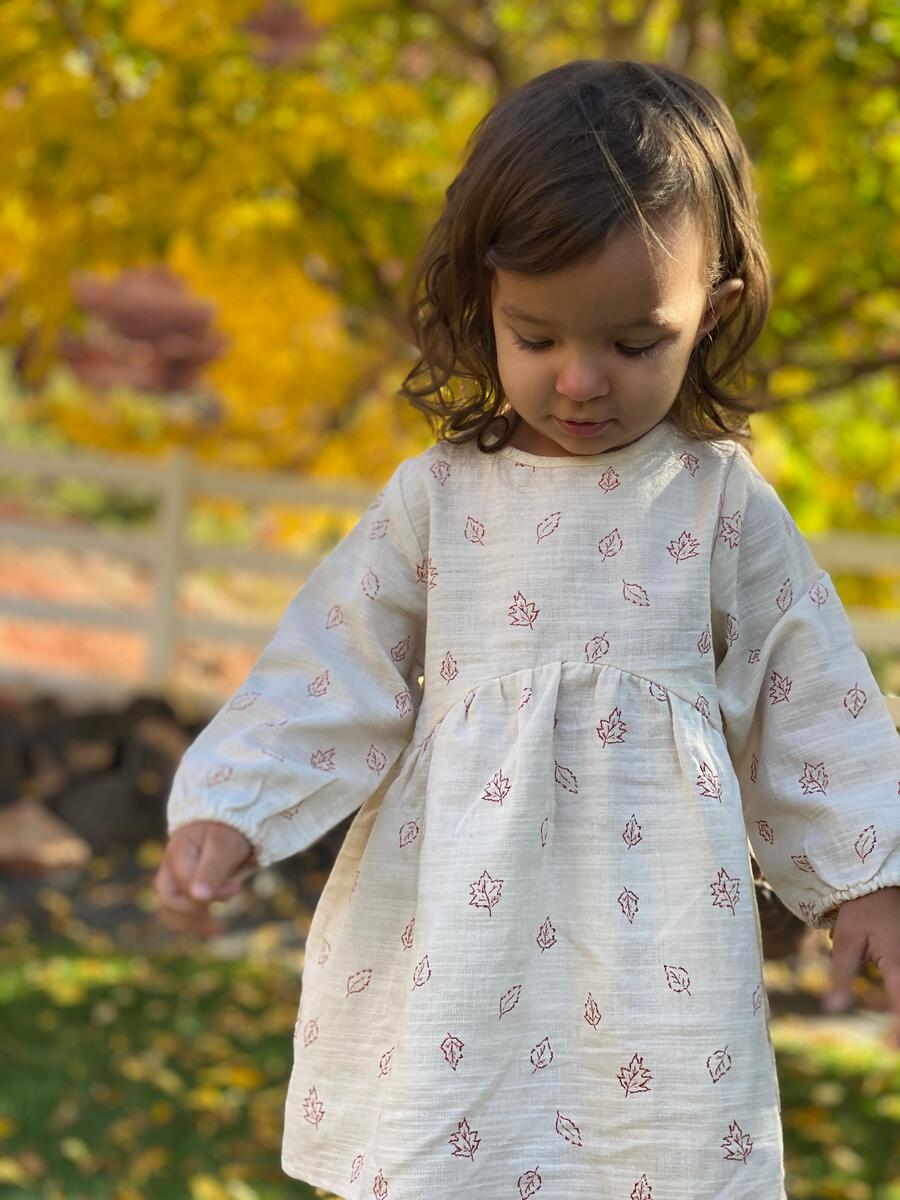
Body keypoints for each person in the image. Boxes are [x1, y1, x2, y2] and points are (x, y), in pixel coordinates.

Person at [155, 59, 900, 1199]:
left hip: (659, 947)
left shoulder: (717, 504)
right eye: (536, 336)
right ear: (484, 299)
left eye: (634, 343)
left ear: (712, 311)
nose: (580, 380)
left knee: (650, 1154)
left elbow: (810, 693)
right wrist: (232, 807)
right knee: (453, 1153)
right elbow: (334, 662)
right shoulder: (438, 498)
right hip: (459, 933)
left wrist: (869, 875)